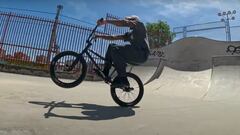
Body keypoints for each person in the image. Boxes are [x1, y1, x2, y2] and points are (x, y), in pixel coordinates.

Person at [95, 15, 150, 88]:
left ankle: (123, 79)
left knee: (115, 49)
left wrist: (106, 21)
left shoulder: (140, 25)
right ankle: (106, 71)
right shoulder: (130, 35)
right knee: (111, 46)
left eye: (130, 20)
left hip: (142, 54)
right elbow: (114, 37)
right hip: (135, 55)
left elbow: (124, 23)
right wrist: (98, 36)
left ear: (134, 20)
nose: (129, 23)